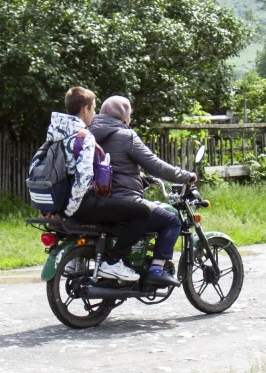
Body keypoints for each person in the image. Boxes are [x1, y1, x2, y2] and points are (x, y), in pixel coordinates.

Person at [45, 87, 151, 282]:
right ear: (85, 109)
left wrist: (56, 207)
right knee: (141, 211)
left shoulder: (55, 132)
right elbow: (83, 177)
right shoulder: (84, 136)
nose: (94, 114)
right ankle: (113, 263)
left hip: (60, 203)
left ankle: (79, 258)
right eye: (93, 109)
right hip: (81, 204)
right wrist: (71, 208)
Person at [89, 96, 196, 287]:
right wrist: (185, 176)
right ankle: (156, 269)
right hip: (125, 199)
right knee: (172, 220)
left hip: (96, 200)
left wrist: (137, 175)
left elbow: (115, 165)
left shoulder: (90, 133)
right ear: (124, 115)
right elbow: (155, 165)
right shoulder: (126, 136)